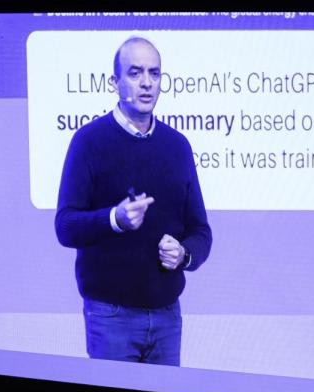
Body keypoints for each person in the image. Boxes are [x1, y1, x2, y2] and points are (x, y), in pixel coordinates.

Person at [55, 36, 212, 366]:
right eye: (135, 72)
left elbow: (201, 232)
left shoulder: (177, 146)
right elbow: (65, 226)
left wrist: (184, 255)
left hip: (168, 317)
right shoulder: (88, 141)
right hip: (110, 317)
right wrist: (114, 219)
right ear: (115, 82)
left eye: (154, 74)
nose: (146, 83)